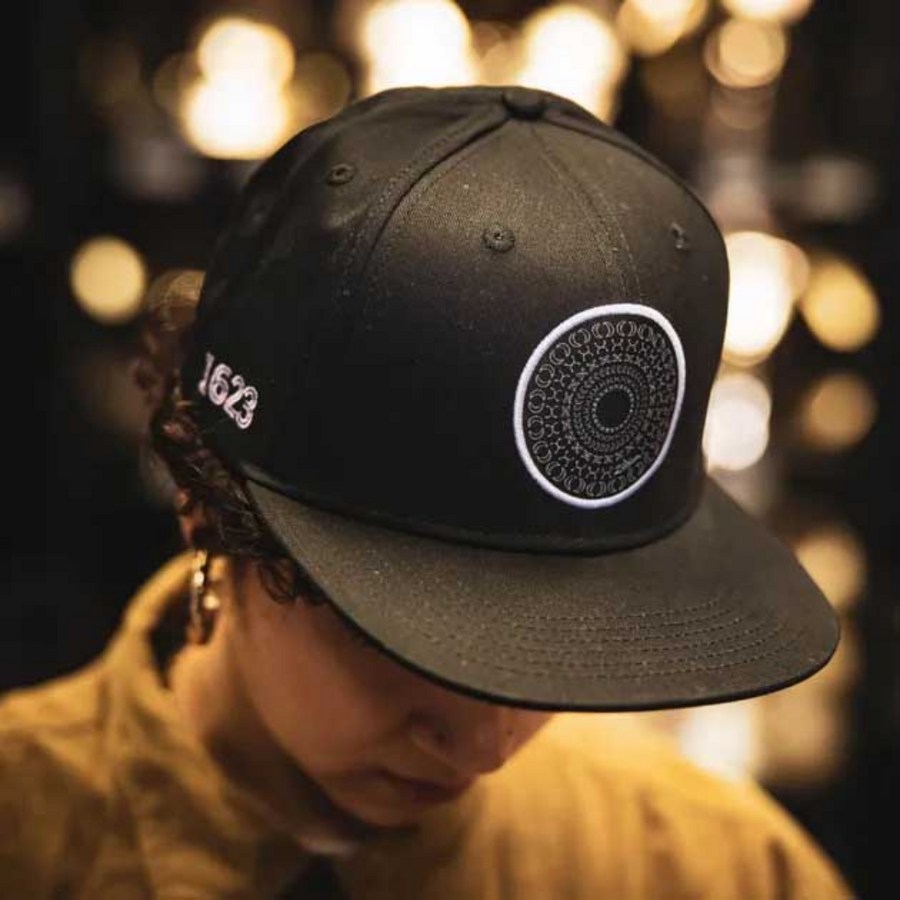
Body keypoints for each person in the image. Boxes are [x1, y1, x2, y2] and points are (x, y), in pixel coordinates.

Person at [0, 85, 854, 898]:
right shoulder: (25, 836)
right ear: (206, 508)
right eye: (407, 642)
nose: (484, 746)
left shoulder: (718, 871)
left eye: (557, 650)